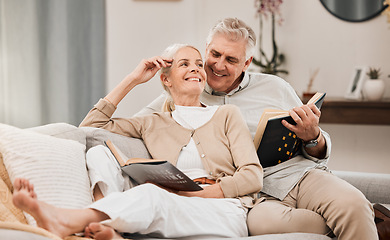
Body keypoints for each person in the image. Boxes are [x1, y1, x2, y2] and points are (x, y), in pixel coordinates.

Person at [136, 18, 380, 240]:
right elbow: (124, 127)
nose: (218, 65)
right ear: (206, 49)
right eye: (215, 54)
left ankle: (364, 218)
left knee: (353, 205)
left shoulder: (275, 87)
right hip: (254, 196)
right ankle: (376, 224)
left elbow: (320, 145)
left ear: (247, 63)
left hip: (299, 175)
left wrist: (312, 137)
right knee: (266, 225)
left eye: (231, 60)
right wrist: (139, 77)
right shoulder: (183, 92)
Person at [12, 43, 263, 240]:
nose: (196, 68)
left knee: (152, 195)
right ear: (166, 79)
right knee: (97, 153)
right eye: (184, 64)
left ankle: (70, 220)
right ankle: (111, 228)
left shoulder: (226, 115)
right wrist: (133, 78)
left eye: (199, 64)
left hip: (223, 212)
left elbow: (252, 176)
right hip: (170, 203)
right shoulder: (151, 122)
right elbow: (89, 129)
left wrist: (195, 193)